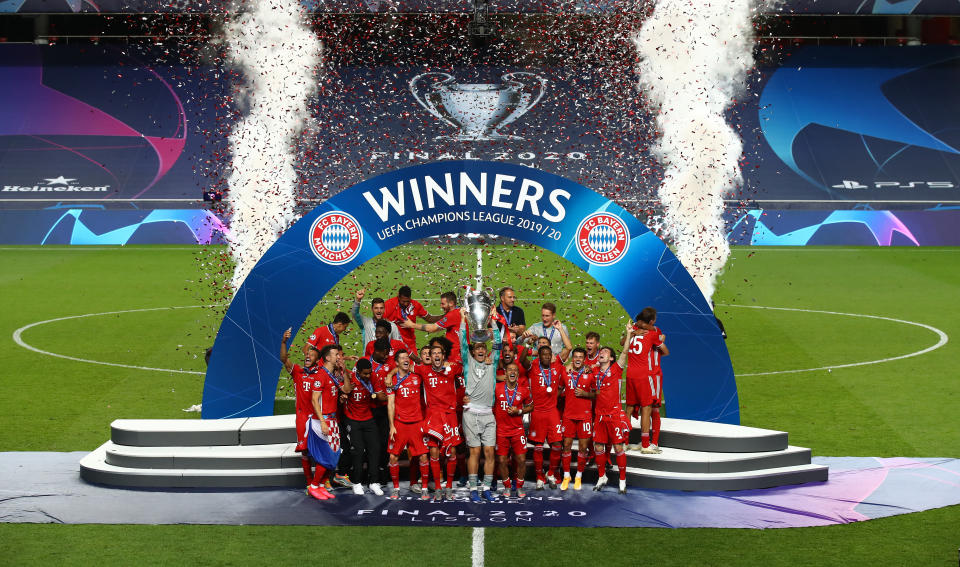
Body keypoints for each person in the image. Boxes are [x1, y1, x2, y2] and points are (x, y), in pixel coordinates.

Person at [458, 317, 502, 502]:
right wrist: (462, 320)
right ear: (473, 352)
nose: (482, 350)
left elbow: (498, 343)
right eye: (478, 348)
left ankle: (486, 488)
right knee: (474, 452)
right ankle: (474, 489)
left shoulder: (492, 364)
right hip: (471, 414)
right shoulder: (468, 364)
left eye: (484, 348)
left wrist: (493, 321)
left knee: (490, 452)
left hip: (488, 414)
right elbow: (462, 341)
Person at [416, 339, 463, 501]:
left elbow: (468, 361)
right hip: (433, 416)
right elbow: (403, 365)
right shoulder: (423, 370)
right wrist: (391, 374)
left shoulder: (453, 369)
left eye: (438, 353)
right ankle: (437, 487)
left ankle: (448, 487)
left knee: (452, 453)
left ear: (444, 356)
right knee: (434, 452)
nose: (435, 355)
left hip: (450, 416)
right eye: (433, 353)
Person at [384, 350, 431, 500]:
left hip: (417, 423)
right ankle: (396, 489)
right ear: (397, 363)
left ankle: (424, 488)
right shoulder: (391, 382)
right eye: (402, 358)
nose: (406, 359)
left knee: (423, 456)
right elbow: (390, 404)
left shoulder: (418, 375)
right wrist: (391, 425)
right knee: (393, 457)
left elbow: (428, 366)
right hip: (400, 424)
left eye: (407, 357)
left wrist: (390, 373)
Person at [307, 344, 352, 500]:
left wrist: (344, 370)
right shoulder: (320, 375)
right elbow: (314, 400)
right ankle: (313, 486)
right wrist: (323, 422)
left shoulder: (333, 374)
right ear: (327, 358)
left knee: (334, 455)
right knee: (327, 456)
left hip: (332, 419)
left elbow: (346, 390)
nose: (338, 357)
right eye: (335, 355)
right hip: (323, 420)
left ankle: (319, 486)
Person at [624, 308, 669, 454]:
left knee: (630, 407)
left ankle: (624, 441)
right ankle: (647, 444)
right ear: (651, 321)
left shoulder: (634, 330)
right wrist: (661, 340)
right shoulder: (653, 333)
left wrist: (635, 330)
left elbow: (622, 342)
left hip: (631, 373)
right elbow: (666, 351)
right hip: (648, 375)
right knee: (649, 408)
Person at [279, 328, 320, 489]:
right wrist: (284, 342)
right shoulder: (298, 371)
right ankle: (310, 483)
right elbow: (283, 358)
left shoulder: (321, 375)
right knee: (305, 452)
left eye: (312, 355)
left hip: (317, 417)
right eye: (307, 354)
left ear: (317, 360)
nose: (308, 356)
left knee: (319, 450)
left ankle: (321, 481)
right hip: (303, 418)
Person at [592, 341, 630, 494]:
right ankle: (602, 477)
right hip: (599, 416)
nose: (602, 352)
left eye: (606, 351)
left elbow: (625, 352)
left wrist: (628, 334)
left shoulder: (616, 369)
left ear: (612, 358)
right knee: (598, 447)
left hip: (614, 415)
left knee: (619, 448)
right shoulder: (594, 372)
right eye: (601, 351)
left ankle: (622, 480)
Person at [527, 344, 567, 490]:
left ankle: (550, 473)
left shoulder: (557, 368)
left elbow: (568, 359)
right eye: (543, 354)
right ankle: (539, 476)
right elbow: (522, 358)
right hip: (537, 412)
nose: (546, 357)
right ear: (539, 356)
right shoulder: (533, 368)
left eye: (548, 355)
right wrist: (527, 344)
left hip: (552, 412)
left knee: (557, 445)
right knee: (538, 447)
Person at [344, 357, 385, 496]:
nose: (368, 376)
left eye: (369, 373)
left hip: (368, 418)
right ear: (358, 372)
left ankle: (373, 482)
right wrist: (342, 397)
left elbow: (379, 395)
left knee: (375, 449)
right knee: (358, 451)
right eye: (365, 374)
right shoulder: (350, 378)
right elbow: (342, 393)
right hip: (352, 420)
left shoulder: (373, 377)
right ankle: (357, 483)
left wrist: (391, 394)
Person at [494, 362, 532, 498]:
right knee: (502, 461)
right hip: (501, 431)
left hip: (517, 430)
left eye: (515, 370)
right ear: (505, 373)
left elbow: (531, 406)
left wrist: (519, 411)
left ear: (517, 374)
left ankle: (520, 485)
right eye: (509, 369)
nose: (512, 372)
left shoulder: (524, 390)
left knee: (521, 459)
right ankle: (507, 486)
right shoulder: (497, 388)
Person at [560, 347, 595, 491]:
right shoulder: (565, 373)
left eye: (581, 357)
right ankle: (567, 476)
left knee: (583, 447)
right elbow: (559, 389)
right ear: (572, 359)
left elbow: (595, 394)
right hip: (568, 415)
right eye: (576, 357)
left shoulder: (590, 374)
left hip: (585, 416)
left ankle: (579, 476)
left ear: (584, 359)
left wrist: (585, 394)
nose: (578, 359)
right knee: (566, 446)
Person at [402, 291, 464, 363]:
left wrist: (412, 325)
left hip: (456, 354)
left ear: (451, 303)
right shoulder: (458, 311)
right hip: (460, 351)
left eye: (443, 303)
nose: (441, 306)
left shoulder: (452, 315)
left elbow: (433, 328)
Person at [383, 285, 436, 353]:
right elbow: (379, 321)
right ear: (398, 296)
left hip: (410, 344)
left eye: (407, 301)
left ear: (410, 298)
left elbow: (429, 318)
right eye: (403, 301)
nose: (405, 304)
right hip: (393, 344)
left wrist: (446, 316)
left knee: (414, 363)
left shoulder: (415, 305)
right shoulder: (389, 304)